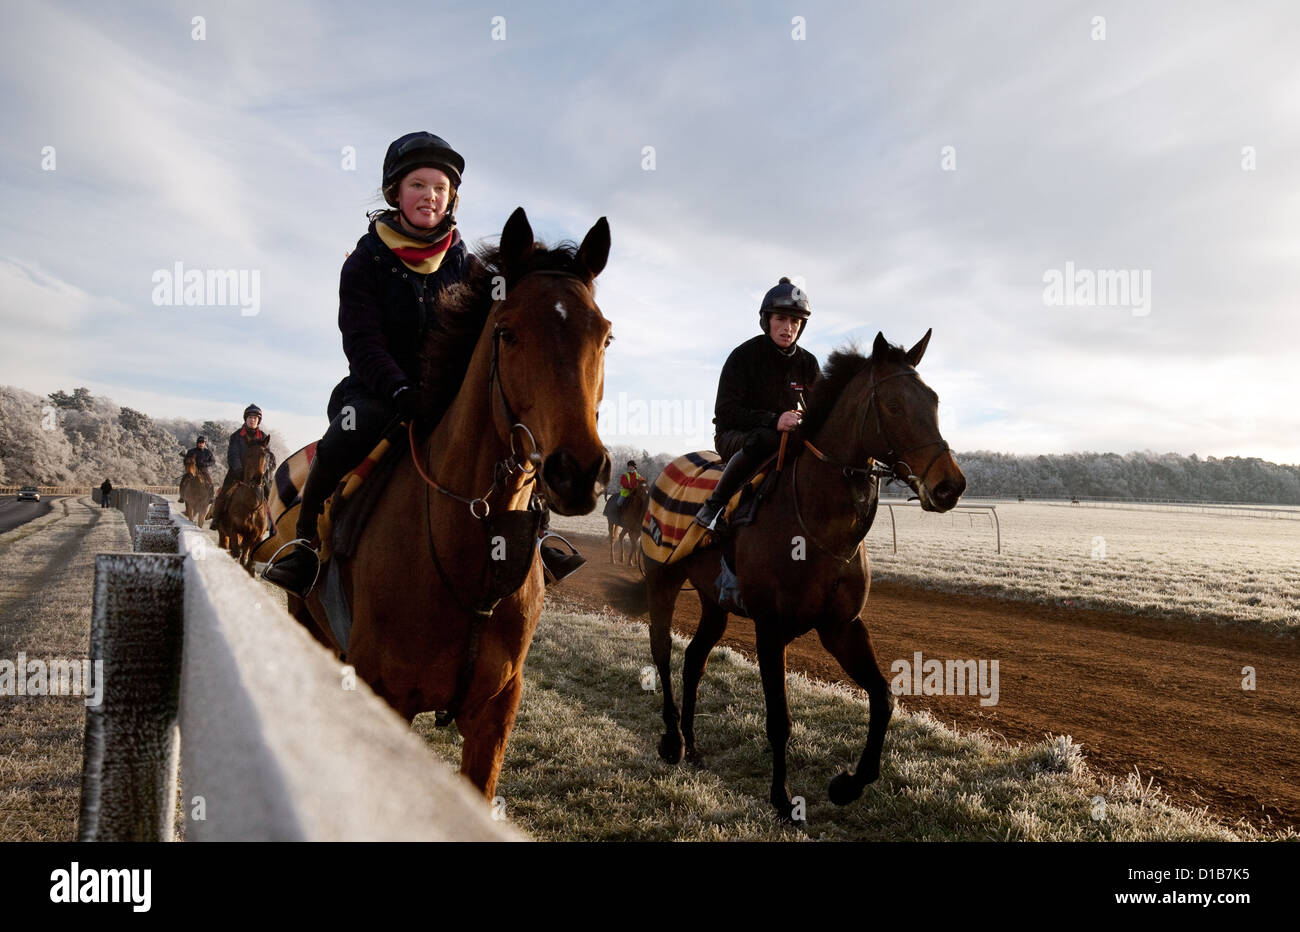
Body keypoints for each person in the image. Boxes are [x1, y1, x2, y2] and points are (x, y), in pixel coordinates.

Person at [265, 132, 474, 595]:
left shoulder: (470, 267)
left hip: (447, 395)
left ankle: (539, 537)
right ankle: (303, 545)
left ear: (451, 199)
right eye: (418, 185)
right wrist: (398, 388)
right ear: (395, 193)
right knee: (350, 432)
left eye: (440, 188)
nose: (430, 196)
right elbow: (362, 341)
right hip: (379, 392)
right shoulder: (364, 262)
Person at [693, 277, 821, 530]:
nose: (788, 328)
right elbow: (726, 412)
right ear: (767, 321)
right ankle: (714, 508)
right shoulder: (743, 356)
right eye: (780, 319)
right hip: (737, 434)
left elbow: (819, 409)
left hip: (787, 435)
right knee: (765, 439)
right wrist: (774, 420)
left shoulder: (808, 363)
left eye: (795, 321)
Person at [211, 405, 273, 529]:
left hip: (258, 472)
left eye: (255, 418)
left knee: (270, 494)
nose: (252, 420)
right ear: (246, 419)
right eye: (250, 417)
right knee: (224, 492)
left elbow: (268, 456)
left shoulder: (263, 436)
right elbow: (233, 455)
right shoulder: (236, 436)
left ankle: (271, 523)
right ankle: (216, 519)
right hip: (238, 471)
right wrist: (239, 469)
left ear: (258, 420)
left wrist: (266, 469)